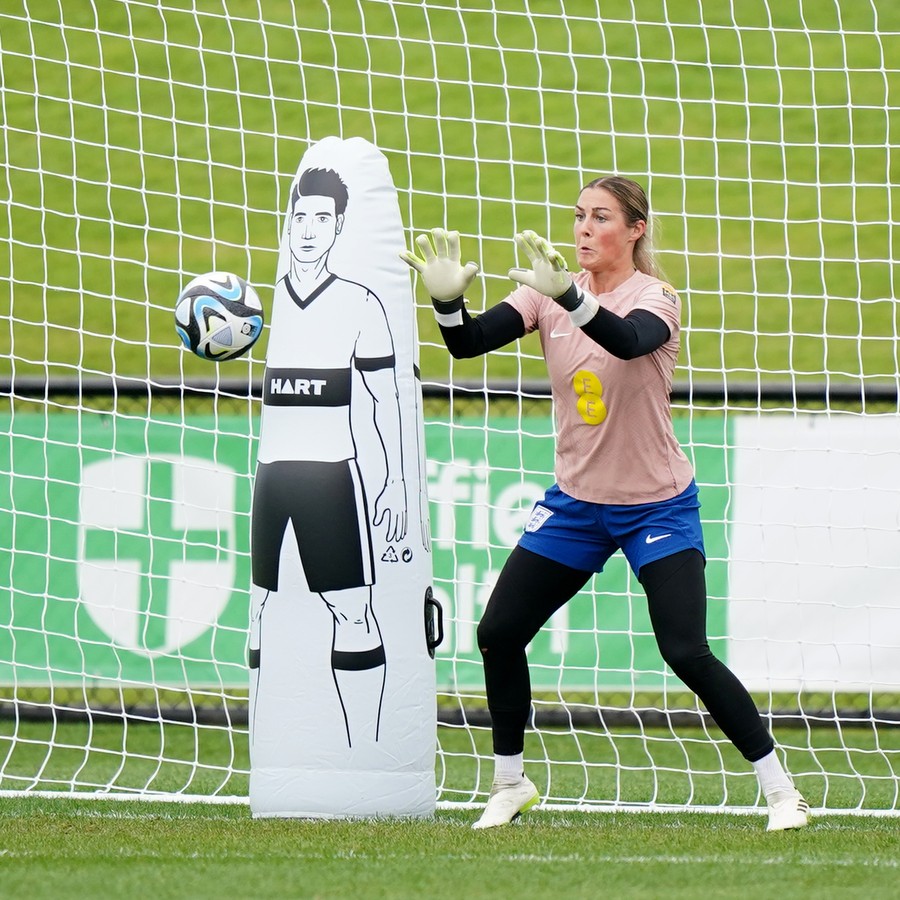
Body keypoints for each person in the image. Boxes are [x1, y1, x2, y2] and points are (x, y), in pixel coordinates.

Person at [401, 175, 809, 831]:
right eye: (578, 216)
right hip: (577, 506)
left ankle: (781, 790)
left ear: (635, 229)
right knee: (499, 633)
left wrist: (570, 295)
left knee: (685, 651)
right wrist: (449, 302)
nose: (583, 229)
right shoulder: (544, 292)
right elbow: (466, 343)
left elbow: (627, 340)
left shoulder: (658, 297)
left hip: (657, 507)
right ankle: (510, 782)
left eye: (600, 218)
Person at [252, 167, 407, 747]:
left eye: (322, 219)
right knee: (262, 608)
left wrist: (391, 482)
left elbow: (386, 398)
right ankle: (268, 746)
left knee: (351, 610)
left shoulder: (360, 302)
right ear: (288, 224)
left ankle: (363, 749)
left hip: (332, 480)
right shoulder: (262, 308)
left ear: (339, 226)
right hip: (273, 476)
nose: (309, 229)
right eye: (301, 217)